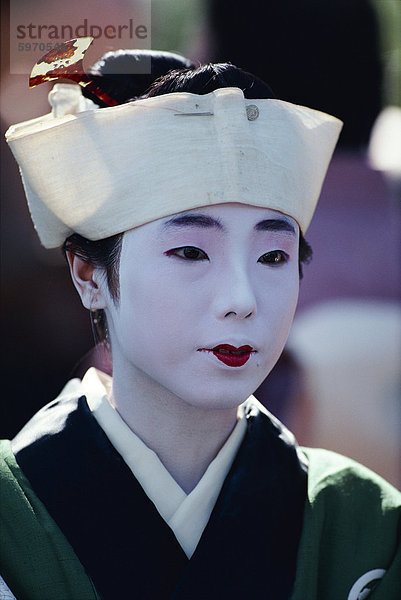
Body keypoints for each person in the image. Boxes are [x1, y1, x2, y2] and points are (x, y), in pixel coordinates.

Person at [1, 45, 400, 600]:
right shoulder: (11, 512)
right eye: (191, 252)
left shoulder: (364, 525)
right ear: (89, 275)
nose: (241, 300)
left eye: (273, 258)